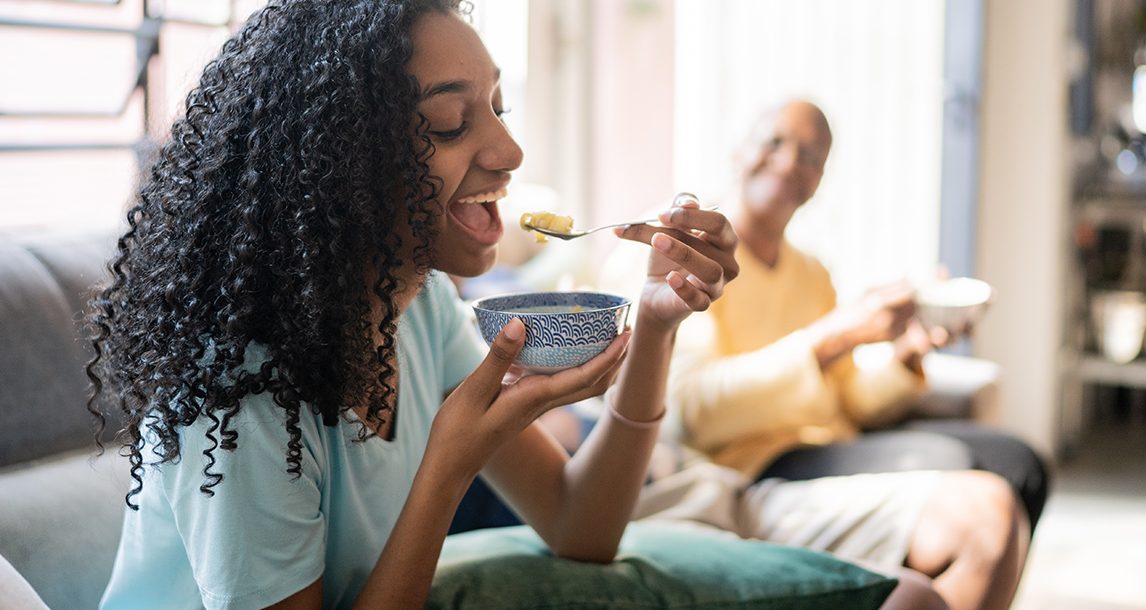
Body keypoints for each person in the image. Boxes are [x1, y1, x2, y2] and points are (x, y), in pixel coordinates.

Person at [87, 2, 740, 607]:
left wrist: (655, 325)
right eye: (451, 124)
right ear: (340, 161)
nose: (509, 153)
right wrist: (449, 465)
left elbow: (580, 527)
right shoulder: (240, 399)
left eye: (498, 110)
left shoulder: (420, 307)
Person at [617, 99, 1033, 610]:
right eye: (775, 142)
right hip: (755, 464)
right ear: (738, 150)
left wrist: (907, 355)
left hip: (823, 447)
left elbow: (848, 403)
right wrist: (832, 336)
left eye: (812, 157)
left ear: (819, 181)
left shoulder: (812, 274)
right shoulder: (690, 261)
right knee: (965, 467)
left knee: (1022, 460)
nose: (792, 162)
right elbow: (695, 413)